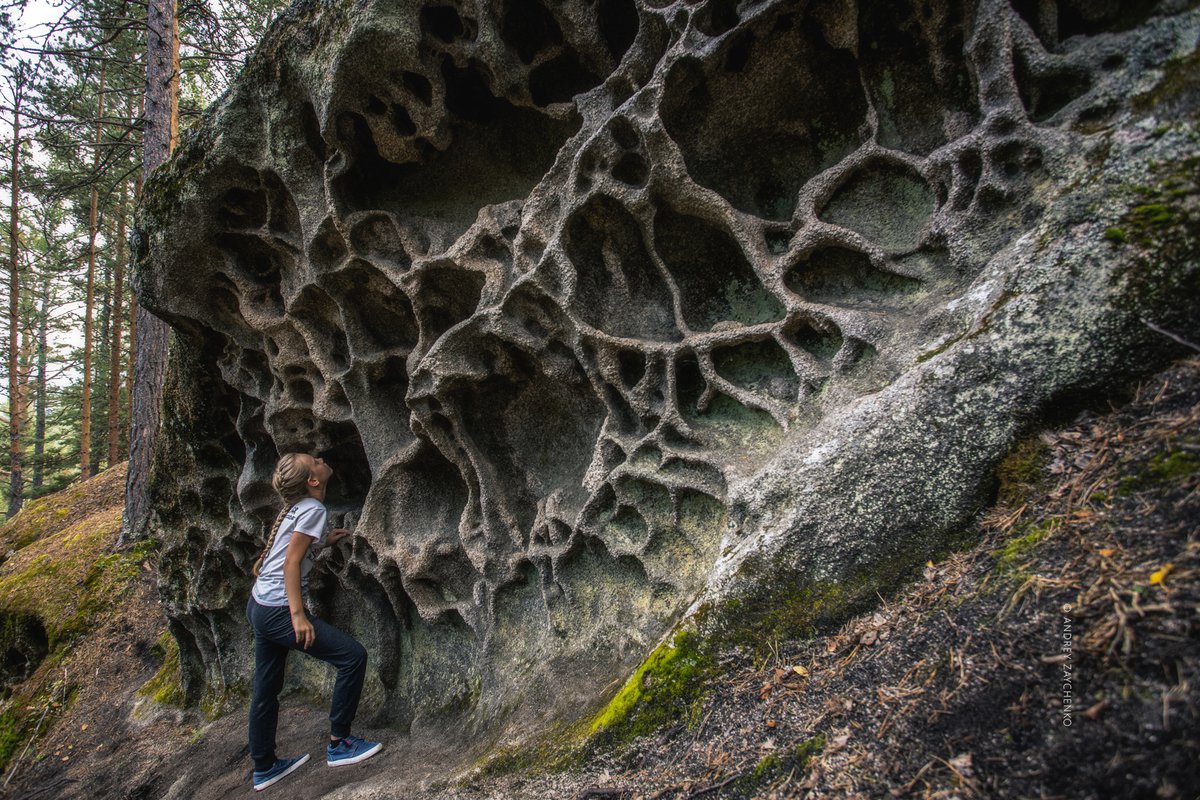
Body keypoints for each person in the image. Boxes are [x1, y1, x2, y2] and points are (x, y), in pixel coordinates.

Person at [246, 452, 382, 791]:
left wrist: (323, 542)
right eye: (315, 461)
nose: (321, 458)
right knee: (352, 657)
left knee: (265, 690)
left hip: (259, 605)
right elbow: (291, 563)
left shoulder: (300, 509)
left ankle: (264, 767)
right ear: (313, 480)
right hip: (279, 610)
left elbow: (289, 552)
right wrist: (298, 616)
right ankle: (340, 743)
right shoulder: (314, 510)